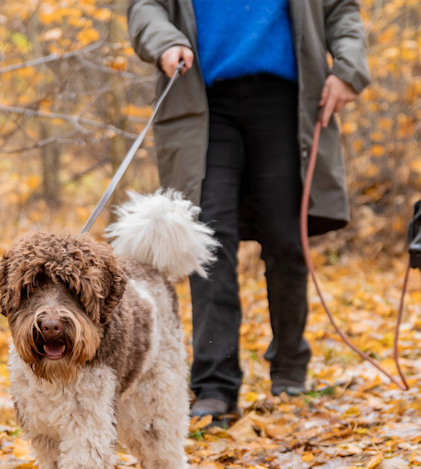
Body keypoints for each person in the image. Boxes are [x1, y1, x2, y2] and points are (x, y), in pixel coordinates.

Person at [127, 0, 371, 421]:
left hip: (286, 101)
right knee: (209, 245)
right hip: (203, 103)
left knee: (286, 241)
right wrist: (166, 43)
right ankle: (215, 384)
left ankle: (291, 366)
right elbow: (146, 7)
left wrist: (348, 68)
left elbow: (341, 11)